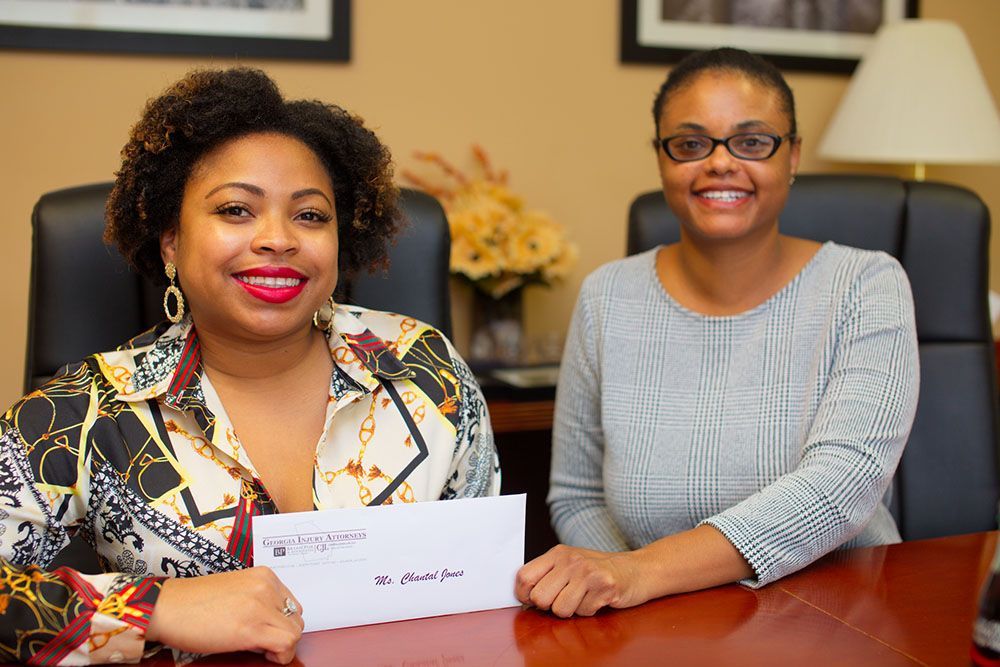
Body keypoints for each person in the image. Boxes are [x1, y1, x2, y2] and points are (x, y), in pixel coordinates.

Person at [0, 67, 499, 665]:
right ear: (171, 245)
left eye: (310, 215)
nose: (278, 239)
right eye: (236, 210)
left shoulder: (422, 367)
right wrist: (153, 609)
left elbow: (484, 582)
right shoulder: (86, 409)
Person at [515, 47, 918, 618]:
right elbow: (578, 496)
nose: (720, 163)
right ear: (662, 158)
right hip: (656, 633)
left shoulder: (866, 284)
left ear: (793, 154)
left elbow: (840, 487)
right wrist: (659, 606)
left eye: (752, 142)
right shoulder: (607, 296)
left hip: (836, 619)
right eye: (690, 143)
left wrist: (641, 574)